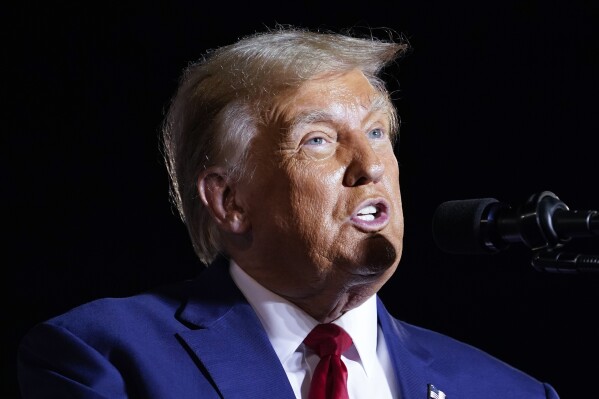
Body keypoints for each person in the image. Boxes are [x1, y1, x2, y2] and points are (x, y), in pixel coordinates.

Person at [17, 26, 560, 398]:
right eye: (320, 141)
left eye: (376, 132)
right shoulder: (106, 357)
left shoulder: (507, 390)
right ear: (230, 201)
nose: (370, 167)